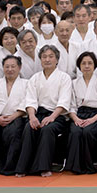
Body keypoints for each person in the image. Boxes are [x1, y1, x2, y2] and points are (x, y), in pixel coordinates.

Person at [17, 45, 73, 176]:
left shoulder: (64, 78)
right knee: (29, 128)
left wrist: (52, 117)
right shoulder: (35, 78)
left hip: (57, 116)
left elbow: (64, 101)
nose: (47, 59)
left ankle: (44, 167)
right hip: (38, 113)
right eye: (44, 57)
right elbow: (30, 100)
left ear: (57, 60)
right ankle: (23, 167)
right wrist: (32, 117)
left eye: (51, 56)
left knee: (48, 129)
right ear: (40, 60)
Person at [66, 52, 97, 174]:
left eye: (90, 63)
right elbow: (71, 105)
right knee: (75, 132)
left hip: (96, 115)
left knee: (88, 131)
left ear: (95, 66)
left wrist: (93, 119)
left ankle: (90, 165)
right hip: (79, 114)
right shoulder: (74, 83)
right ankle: (76, 166)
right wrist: (76, 119)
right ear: (79, 66)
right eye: (83, 63)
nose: (86, 66)